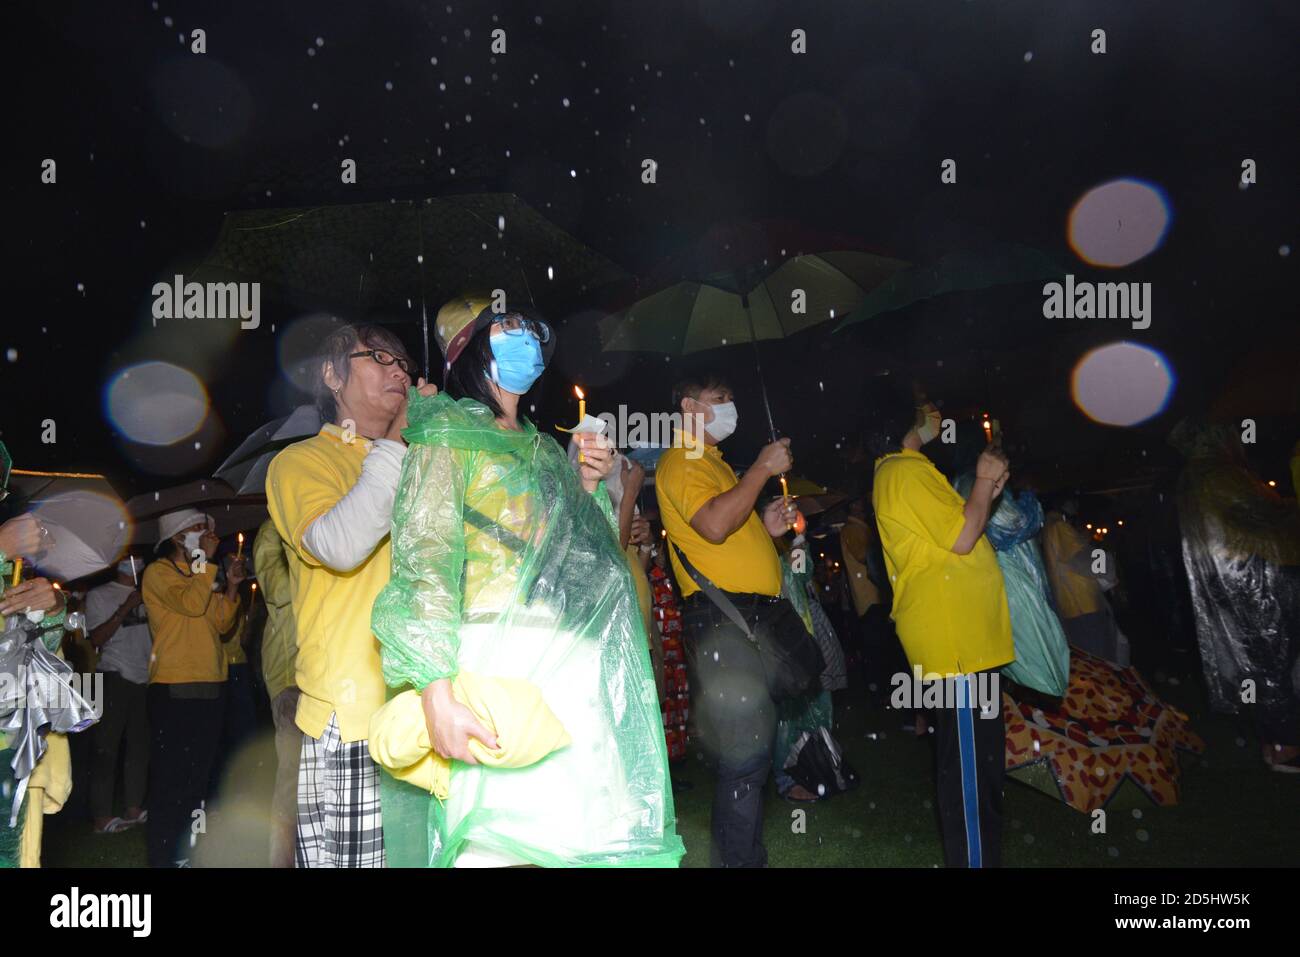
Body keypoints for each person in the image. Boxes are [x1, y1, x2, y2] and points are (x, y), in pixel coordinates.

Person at [371, 295, 683, 867]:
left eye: (531, 329)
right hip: (492, 657)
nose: (527, 339)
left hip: (567, 658)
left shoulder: (540, 447)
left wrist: (587, 486)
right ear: (470, 347)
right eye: (507, 328)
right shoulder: (446, 436)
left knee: (583, 833)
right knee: (499, 837)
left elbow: (575, 560)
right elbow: (426, 559)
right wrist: (437, 694)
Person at [266, 322, 435, 867]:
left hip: (430, 705)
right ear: (332, 375)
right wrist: (400, 438)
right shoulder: (300, 463)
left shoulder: (425, 459)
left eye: (404, 363)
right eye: (378, 357)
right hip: (355, 716)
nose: (398, 371)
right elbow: (339, 544)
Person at [655, 373, 812, 867]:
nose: (731, 408)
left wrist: (766, 525)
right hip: (725, 621)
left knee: (752, 755)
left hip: (749, 619)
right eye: (719, 399)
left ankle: (745, 857)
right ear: (688, 406)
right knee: (744, 757)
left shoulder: (716, 465)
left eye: (732, 399)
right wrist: (763, 469)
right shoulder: (684, 460)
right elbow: (716, 524)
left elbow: (732, 526)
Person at [864, 375, 1013, 868]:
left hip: (963, 641)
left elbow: (959, 533)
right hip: (956, 645)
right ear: (903, 417)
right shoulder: (905, 472)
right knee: (971, 777)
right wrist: (986, 478)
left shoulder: (907, 471)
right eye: (925, 404)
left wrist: (987, 491)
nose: (935, 413)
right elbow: (964, 538)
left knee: (978, 770)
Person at [1170, 419, 1300, 772]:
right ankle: (1284, 746)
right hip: (1256, 582)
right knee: (1273, 663)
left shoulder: (1195, 477)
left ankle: (1274, 742)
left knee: (1260, 663)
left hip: (1234, 584)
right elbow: (1258, 517)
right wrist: (1288, 507)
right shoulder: (1219, 475)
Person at [140, 509, 245, 867]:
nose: (206, 534)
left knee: (199, 778)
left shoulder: (201, 573)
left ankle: (190, 853)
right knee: (171, 780)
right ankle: (163, 856)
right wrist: (206, 561)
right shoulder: (158, 573)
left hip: (211, 683)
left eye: (207, 528)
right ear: (175, 537)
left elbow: (220, 621)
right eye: (197, 529)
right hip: (173, 685)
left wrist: (230, 586)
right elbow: (190, 602)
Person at [84, 556, 151, 834]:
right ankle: (101, 817)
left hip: (146, 676)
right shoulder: (99, 595)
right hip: (112, 674)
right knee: (106, 748)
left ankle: (133, 808)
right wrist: (126, 607)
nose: (134, 563)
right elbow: (97, 638)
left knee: (140, 747)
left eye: (138, 559)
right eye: (128, 559)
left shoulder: (151, 591)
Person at [252, 518, 299, 867]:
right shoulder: (272, 532)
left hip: (326, 674)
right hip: (290, 677)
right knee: (293, 785)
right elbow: (280, 592)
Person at [1041, 499, 1129, 665]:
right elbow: (1082, 558)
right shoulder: (1060, 526)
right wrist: (1107, 560)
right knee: (1099, 660)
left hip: (1072, 606)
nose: (1075, 506)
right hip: (1083, 605)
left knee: (1088, 660)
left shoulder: (1049, 527)